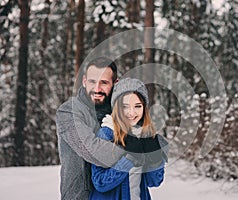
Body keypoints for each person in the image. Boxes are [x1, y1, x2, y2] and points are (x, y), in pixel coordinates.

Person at [56, 57, 127, 200]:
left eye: (104, 83)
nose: (97, 88)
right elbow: (94, 152)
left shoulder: (122, 112)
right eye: (92, 81)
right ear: (84, 81)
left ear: (115, 83)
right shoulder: (69, 111)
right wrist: (135, 150)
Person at [89, 78, 168, 200]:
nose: (132, 113)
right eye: (125, 106)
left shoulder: (145, 136)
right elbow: (100, 183)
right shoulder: (106, 135)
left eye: (137, 106)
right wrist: (129, 159)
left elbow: (154, 182)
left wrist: (155, 159)